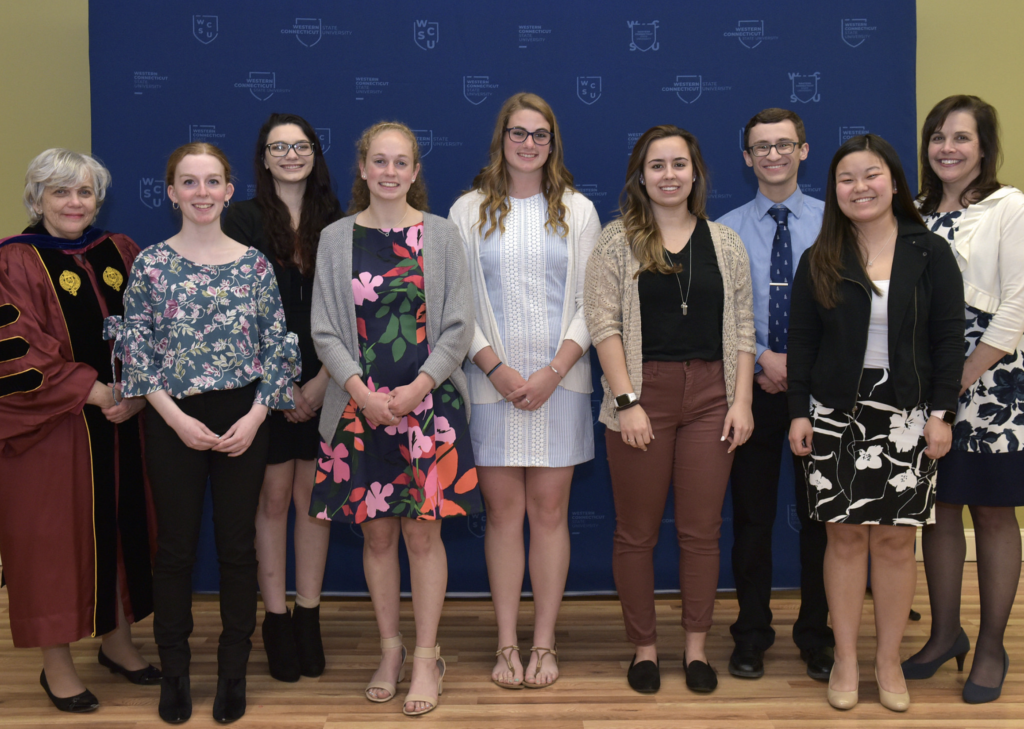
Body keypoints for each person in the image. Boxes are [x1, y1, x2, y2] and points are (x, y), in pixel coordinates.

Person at [107, 142, 300, 724]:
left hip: (246, 417)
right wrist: (174, 418)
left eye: (211, 181)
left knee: (239, 550)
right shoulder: (151, 265)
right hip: (173, 419)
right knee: (176, 553)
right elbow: (136, 349)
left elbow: (279, 351)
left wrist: (256, 417)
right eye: (188, 183)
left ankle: (233, 675)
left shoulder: (254, 264)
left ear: (228, 189)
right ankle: (175, 674)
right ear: (170, 193)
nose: (201, 193)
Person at [309, 121, 481, 716]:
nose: (389, 171)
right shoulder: (335, 239)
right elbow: (324, 329)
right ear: (362, 169)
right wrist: (362, 391)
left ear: (414, 171)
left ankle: (428, 656)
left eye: (400, 162)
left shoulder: (441, 234)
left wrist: (417, 388)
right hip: (359, 410)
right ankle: (391, 649)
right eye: (378, 161)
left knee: (423, 534)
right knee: (377, 535)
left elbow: (459, 324)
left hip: (427, 407)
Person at [787, 134, 964, 712]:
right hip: (837, 413)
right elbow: (802, 343)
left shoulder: (929, 251)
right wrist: (797, 412)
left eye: (871, 175)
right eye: (846, 179)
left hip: (911, 417)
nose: (859, 187)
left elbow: (946, 341)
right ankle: (845, 658)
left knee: (893, 544)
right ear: (833, 190)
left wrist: (941, 415)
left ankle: (888, 660)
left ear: (893, 181)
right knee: (841, 541)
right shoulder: (822, 256)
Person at [584, 125, 756, 695]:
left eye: (679, 164)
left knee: (701, 533)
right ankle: (645, 649)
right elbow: (603, 323)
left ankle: (696, 649)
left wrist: (743, 401)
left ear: (696, 173)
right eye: (657, 165)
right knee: (636, 534)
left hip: (713, 397)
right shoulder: (615, 241)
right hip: (643, 394)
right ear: (640, 176)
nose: (669, 175)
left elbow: (743, 328)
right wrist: (626, 401)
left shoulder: (725, 242)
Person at [448, 93, 599, 690]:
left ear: (553, 142)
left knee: (550, 512)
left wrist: (553, 372)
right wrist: (496, 369)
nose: (529, 143)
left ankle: (544, 644)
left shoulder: (580, 211)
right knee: (504, 515)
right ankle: (507, 643)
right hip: (491, 388)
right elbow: (455, 306)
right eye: (518, 133)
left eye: (541, 134)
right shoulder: (467, 210)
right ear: (501, 139)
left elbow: (595, 303)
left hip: (561, 384)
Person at [0, 149, 159, 713]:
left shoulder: (120, 251)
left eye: (84, 192)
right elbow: (13, 351)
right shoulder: (14, 262)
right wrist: (91, 389)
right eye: (60, 192)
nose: (74, 203)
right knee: (52, 544)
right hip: (53, 433)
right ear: (37, 198)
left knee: (124, 527)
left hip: (124, 424)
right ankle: (56, 666)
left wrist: (140, 391)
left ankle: (118, 643)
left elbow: (155, 328)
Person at [902, 95, 1024, 704]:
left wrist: (958, 382)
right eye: (937, 137)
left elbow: (1017, 307)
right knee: (940, 508)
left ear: (984, 147)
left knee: (994, 513)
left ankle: (994, 646)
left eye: (961, 137)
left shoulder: (1009, 207)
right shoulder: (914, 212)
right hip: (928, 387)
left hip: (991, 384)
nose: (947, 148)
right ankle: (946, 634)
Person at [223, 113, 343, 683]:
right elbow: (238, 315)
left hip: (330, 381)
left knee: (314, 503)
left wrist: (321, 383)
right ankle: (274, 619)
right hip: (262, 387)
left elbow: (351, 313)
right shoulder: (241, 220)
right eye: (279, 147)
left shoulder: (340, 222)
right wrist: (279, 387)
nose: (291, 154)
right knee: (272, 500)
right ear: (263, 158)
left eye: (301, 145)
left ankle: (309, 616)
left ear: (315, 154)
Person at [717, 108, 833, 681]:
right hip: (751, 388)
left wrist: (801, 370)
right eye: (761, 147)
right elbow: (723, 312)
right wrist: (763, 358)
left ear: (804, 151)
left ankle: (817, 634)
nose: (774, 155)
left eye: (784, 144)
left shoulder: (837, 222)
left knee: (821, 522)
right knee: (753, 520)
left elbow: (846, 308)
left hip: (819, 393)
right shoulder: (726, 229)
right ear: (747, 158)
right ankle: (751, 634)